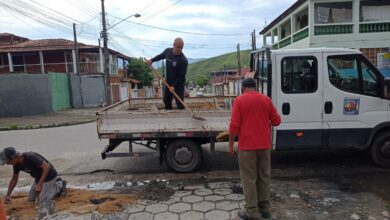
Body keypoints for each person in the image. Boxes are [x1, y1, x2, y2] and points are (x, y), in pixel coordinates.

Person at [228, 78, 281, 220]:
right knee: (264, 177)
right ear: (255, 87)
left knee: (249, 179)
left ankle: (251, 211)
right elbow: (277, 121)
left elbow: (234, 126)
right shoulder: (266, 100)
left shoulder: (239, 101)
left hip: (247, 148)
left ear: (243, 88)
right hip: (264, 146)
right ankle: (265, 210)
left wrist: (231, 145)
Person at [0, 147, 67, 219]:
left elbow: (47, 167)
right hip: (38, 178)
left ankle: (59, 185)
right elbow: (14, 179)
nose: (7, 164)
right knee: (30, 199)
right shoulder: (16, 164)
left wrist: (40, 185)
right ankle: (51, 186)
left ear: (13, 157)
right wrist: (8, 195)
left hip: (49, 177)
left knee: (43, 202)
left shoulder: (30, 157)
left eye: (7, 161)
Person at [146, 38, 188, 109]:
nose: (180, 49)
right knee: (166, 100)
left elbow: (182, 76)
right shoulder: (168, 51)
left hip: (178, 84)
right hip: (168, 82)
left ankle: (181, 117)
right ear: (173, 45)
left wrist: (174, 86)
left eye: (181, 47)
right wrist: (151, 60)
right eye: (178, 47)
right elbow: (160, 56)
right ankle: (169, 116)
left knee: (180, 103)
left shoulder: (183, 60)